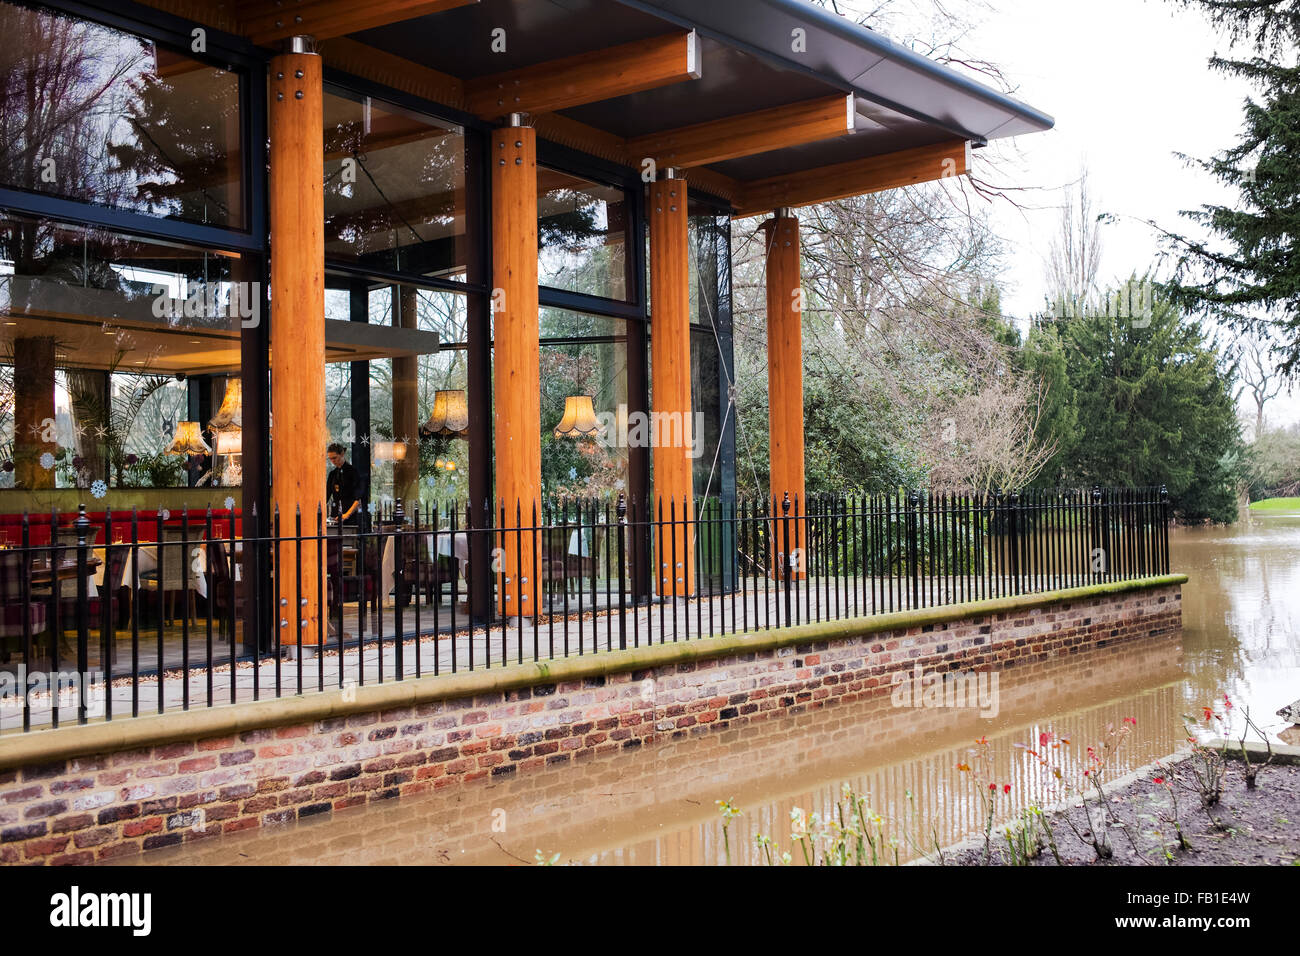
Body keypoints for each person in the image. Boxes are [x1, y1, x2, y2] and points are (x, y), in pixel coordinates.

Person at [325, 443, 361, 524]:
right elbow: (326, 496)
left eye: (334, 458)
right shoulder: (332, 474)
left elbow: (358, 498)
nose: (332, 461)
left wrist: (347, 515)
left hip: (350, 516)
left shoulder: (353, 472)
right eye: (330, 459)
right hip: (335, 516)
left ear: (342, 454)